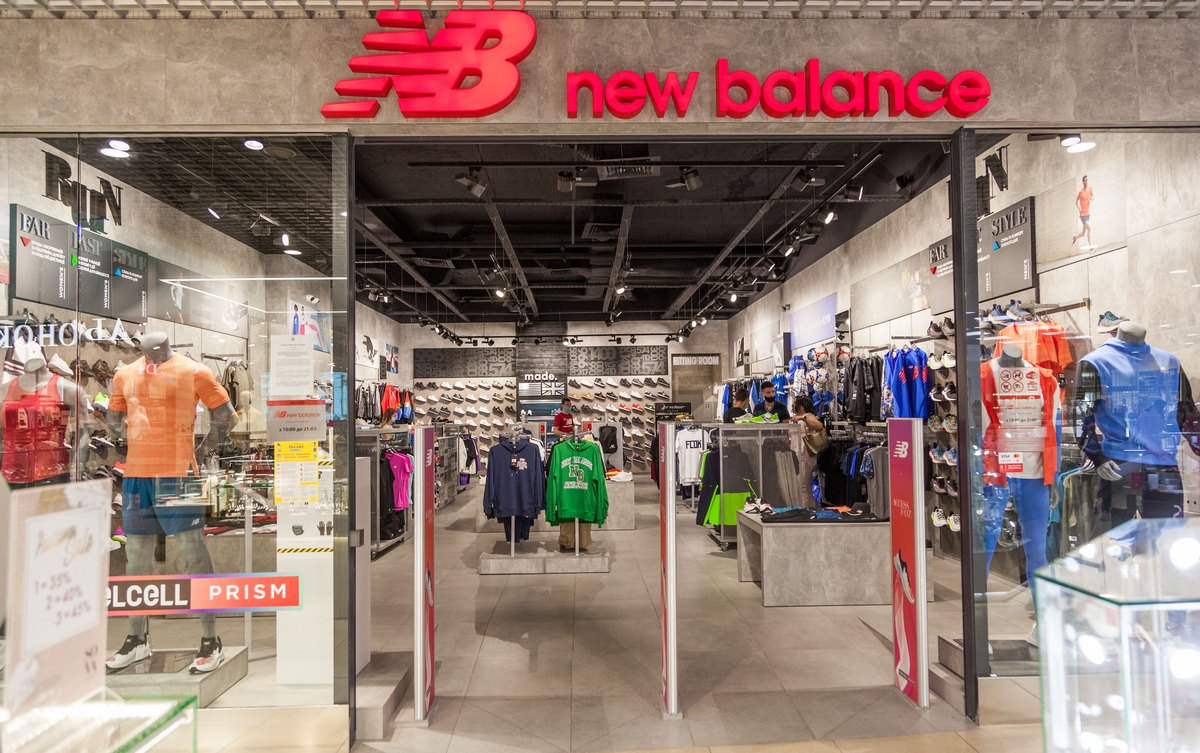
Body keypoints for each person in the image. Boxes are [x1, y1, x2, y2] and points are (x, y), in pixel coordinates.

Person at [789, 395, 823, 506]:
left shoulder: (808, 416)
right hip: (797, 453)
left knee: (802, 487)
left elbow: (819, 426)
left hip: (805, 454)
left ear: (801, 406)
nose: (792, 405)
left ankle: (804, 511)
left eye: (795, 403)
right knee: (806, 486)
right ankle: (811, 509)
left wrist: (802, 417)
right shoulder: (795, 418)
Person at [1072, 174, 1094, 248]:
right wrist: (1079, 209)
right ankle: (1091, 248)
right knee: (1089, 228)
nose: (1086, 181)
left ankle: (1075, 238)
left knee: (1083, 234)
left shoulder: (1090, 188)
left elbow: (1092, 196)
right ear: (1083, 182)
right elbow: (1076, 202)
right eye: (1085, 180)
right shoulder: (1080, 192)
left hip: (1088, 214)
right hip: (1083, 215)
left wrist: (1091, 198)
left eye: (1087, 180)